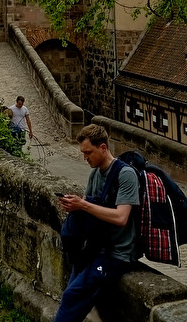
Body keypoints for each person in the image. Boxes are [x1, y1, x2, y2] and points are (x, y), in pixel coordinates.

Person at [54, 124, 141, 322]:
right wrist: (75, 207)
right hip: (96, 248)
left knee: (73, 296)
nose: (85, 158)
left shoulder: (125, 174)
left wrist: (83, 205)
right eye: (83, 153)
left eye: (88, 152)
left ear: (103, 147)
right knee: (70, 292)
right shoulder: (95, 173)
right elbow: (90, 210)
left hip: (117, 252)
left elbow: (121, 217)